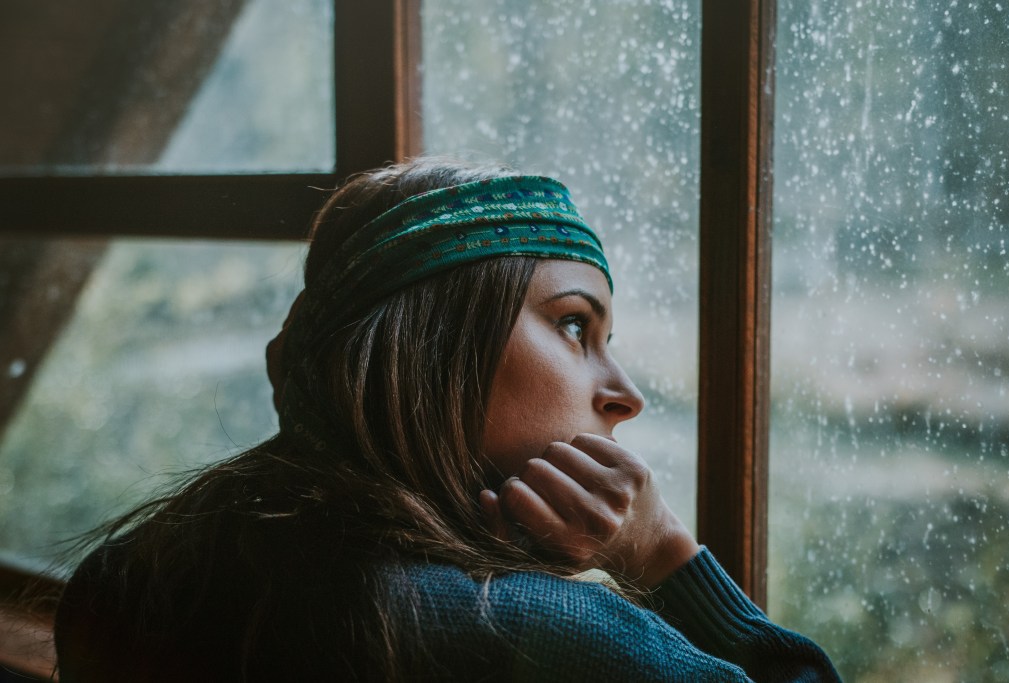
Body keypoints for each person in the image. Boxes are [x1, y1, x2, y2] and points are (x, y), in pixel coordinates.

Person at [54, 157, 841, 682]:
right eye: (575, 324)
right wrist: (664, 552)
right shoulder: (556, 635)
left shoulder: (126, 578)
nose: (626, 394)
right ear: (433, 345)